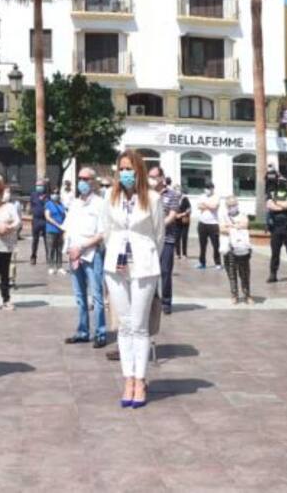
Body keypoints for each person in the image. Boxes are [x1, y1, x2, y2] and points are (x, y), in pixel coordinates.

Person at [103, 150, 163, 409]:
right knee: (125, 325)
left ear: (138, 170)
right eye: (122, 169)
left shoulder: (152, 198)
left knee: (139, 326)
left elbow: (158, 234)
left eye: (129, 169)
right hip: (116, 265)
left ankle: (140, 379)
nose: (125, 173)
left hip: (144, 265)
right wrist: (115, 253)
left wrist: (146, 255)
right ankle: (127, 378)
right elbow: (107, 230)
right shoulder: (111, 196)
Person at [63, 167, 107, 349]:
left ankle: (100, 333)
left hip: (91, 254)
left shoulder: (100, 204)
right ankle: (82, 331)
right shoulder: (74, 203)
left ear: (93, 181)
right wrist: (70, 249)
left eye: (86, 178)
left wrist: (82, 247)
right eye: (80, 178)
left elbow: (102, 233)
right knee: (80, 296)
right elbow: (68, 228)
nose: (82, 182)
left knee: (96, 295)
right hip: (75, 255)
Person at [153, 167, 181, 314]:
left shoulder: (172, 195)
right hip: (149, 240)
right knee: (149, 273)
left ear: (162, 177)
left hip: (167, 239)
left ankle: (166, 302)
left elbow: (172, 215)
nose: (152, 179)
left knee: (165, 271)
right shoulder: (146, 195)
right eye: (149, 176)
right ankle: (152, 301)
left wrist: (158, 225)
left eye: (154, 176)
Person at [266, 176, 287, 284]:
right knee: (275, 253)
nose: (281, 183)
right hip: (276, 228)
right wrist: (281, 206)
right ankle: (273, 274)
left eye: (283, 182)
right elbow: (269, 205)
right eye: (279, 181)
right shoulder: (272, 193)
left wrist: (277, 204)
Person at [195, 184, 221, 270]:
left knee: (216, 245)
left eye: (208, 188)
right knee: (202, 245)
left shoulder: (216, 197)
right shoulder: (201, 196)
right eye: (205, 188)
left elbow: (214, 207)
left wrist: (205, 205)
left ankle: (218, 263)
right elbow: (199, 206)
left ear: (212, 189)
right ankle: (202, 262)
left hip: (213, 224)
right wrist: (209, 205)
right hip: (202, 223)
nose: (207, 190)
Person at [44, 187, 66, 275]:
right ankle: (51, 266)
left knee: (59, 249)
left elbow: (64, 216)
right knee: (51, 249)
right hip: (51, 229)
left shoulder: (61, 204)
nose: (55, 194)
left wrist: (64, 226)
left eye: (57, 193)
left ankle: (59, 266)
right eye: (53, 193)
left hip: (60, 231)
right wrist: (57, 225)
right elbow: (47, 217)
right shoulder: (48, 204)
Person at [28, 179, 50, 266]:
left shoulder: (47, 195)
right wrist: (32, 211)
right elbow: (31, 205)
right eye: (37, 185)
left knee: (47, 240)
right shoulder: (33, 194)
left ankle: (49, 257)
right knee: (35, 240)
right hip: (36, 220)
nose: (39, 187)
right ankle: (33, 257)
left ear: (44, 186)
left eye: (40, 185)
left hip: (45, 220)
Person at [175, 183, 191, 260]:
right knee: (177, 238)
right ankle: (178, 254)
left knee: (184, 237)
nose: (177, 192)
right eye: (176, 190)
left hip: (184, 221)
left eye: (178, 190)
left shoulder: (185, 199)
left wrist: (182, 214)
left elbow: (189, 209)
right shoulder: (174, 199)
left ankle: (184, 254)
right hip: (176, 221)